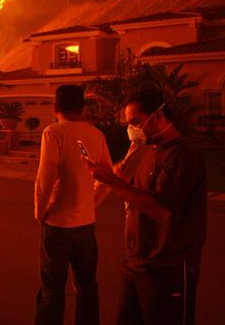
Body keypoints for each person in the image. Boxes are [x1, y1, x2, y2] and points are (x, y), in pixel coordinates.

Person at [82, 89, 207, 325]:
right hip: (136, 262)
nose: (132, 129)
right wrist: (109, 177)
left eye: (136, 122)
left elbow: (161, 209)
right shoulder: (148, 150)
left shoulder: (182, 156)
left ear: (158, 116)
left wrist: (112, 181)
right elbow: (133, 189)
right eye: (129, 124)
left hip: (167, 265)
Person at [34, 85, 112, 325]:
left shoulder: (53, 132)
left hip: (58, 225)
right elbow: (107, 178)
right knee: (87, 286)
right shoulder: (96, 135)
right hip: (86, 225)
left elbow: (45, 177)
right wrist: (92, 203)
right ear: (83, 108)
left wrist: (40, 211)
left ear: (56, 107)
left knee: (52, 289)